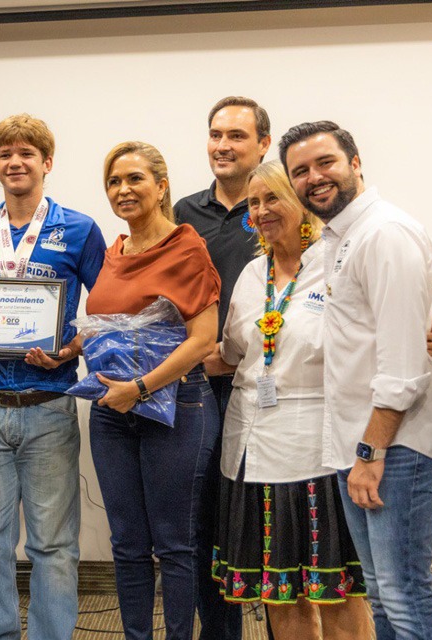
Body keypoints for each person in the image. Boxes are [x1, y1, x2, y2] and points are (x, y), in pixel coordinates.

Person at [280, 121, 432, 640]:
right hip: (364, 445)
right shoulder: (339, 239)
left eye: (325, 163)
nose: (314, 177)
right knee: (382, 593)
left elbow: (401, 367)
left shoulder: (384, 232)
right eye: (301, 171)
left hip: (394, 446)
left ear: (356, 163)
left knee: (403, 596)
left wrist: (369, 454)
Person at [0, 113, 106, 640]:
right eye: (5, 154)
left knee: (53, 545)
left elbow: (107, 311)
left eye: (26, 153)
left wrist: (69, 350)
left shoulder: (81, 228)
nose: (15, 162)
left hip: (48, 404)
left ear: (47, 163)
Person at [211, 161, 371, 640]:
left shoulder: (338, 261)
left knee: (336, 593)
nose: (261, 211)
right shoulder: (250, 273)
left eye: (272, 199)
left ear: (301, 201)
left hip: (317, 451)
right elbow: (231, 354)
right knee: (280, 593)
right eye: (254, 203)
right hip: (251, 450)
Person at [86, 141, 220, 640]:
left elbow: (203, 340)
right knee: (127, 544)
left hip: (177, 407)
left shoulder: (187, 247)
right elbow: (114, 326)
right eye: (114, 181)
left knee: (175, 545)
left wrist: (139, 388)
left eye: (135, 179)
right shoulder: (114, 250)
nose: (123, 190)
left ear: (162, 186)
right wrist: (68, 348)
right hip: (112, 414)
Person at [173, 96, 272, 640]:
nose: (223, 145)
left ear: (263, 144)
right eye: (216, 134)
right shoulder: (183, 214)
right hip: (201, 392)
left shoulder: (283, 210)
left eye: (237, 135)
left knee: (272, 524)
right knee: (208, 525)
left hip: (269, 391)